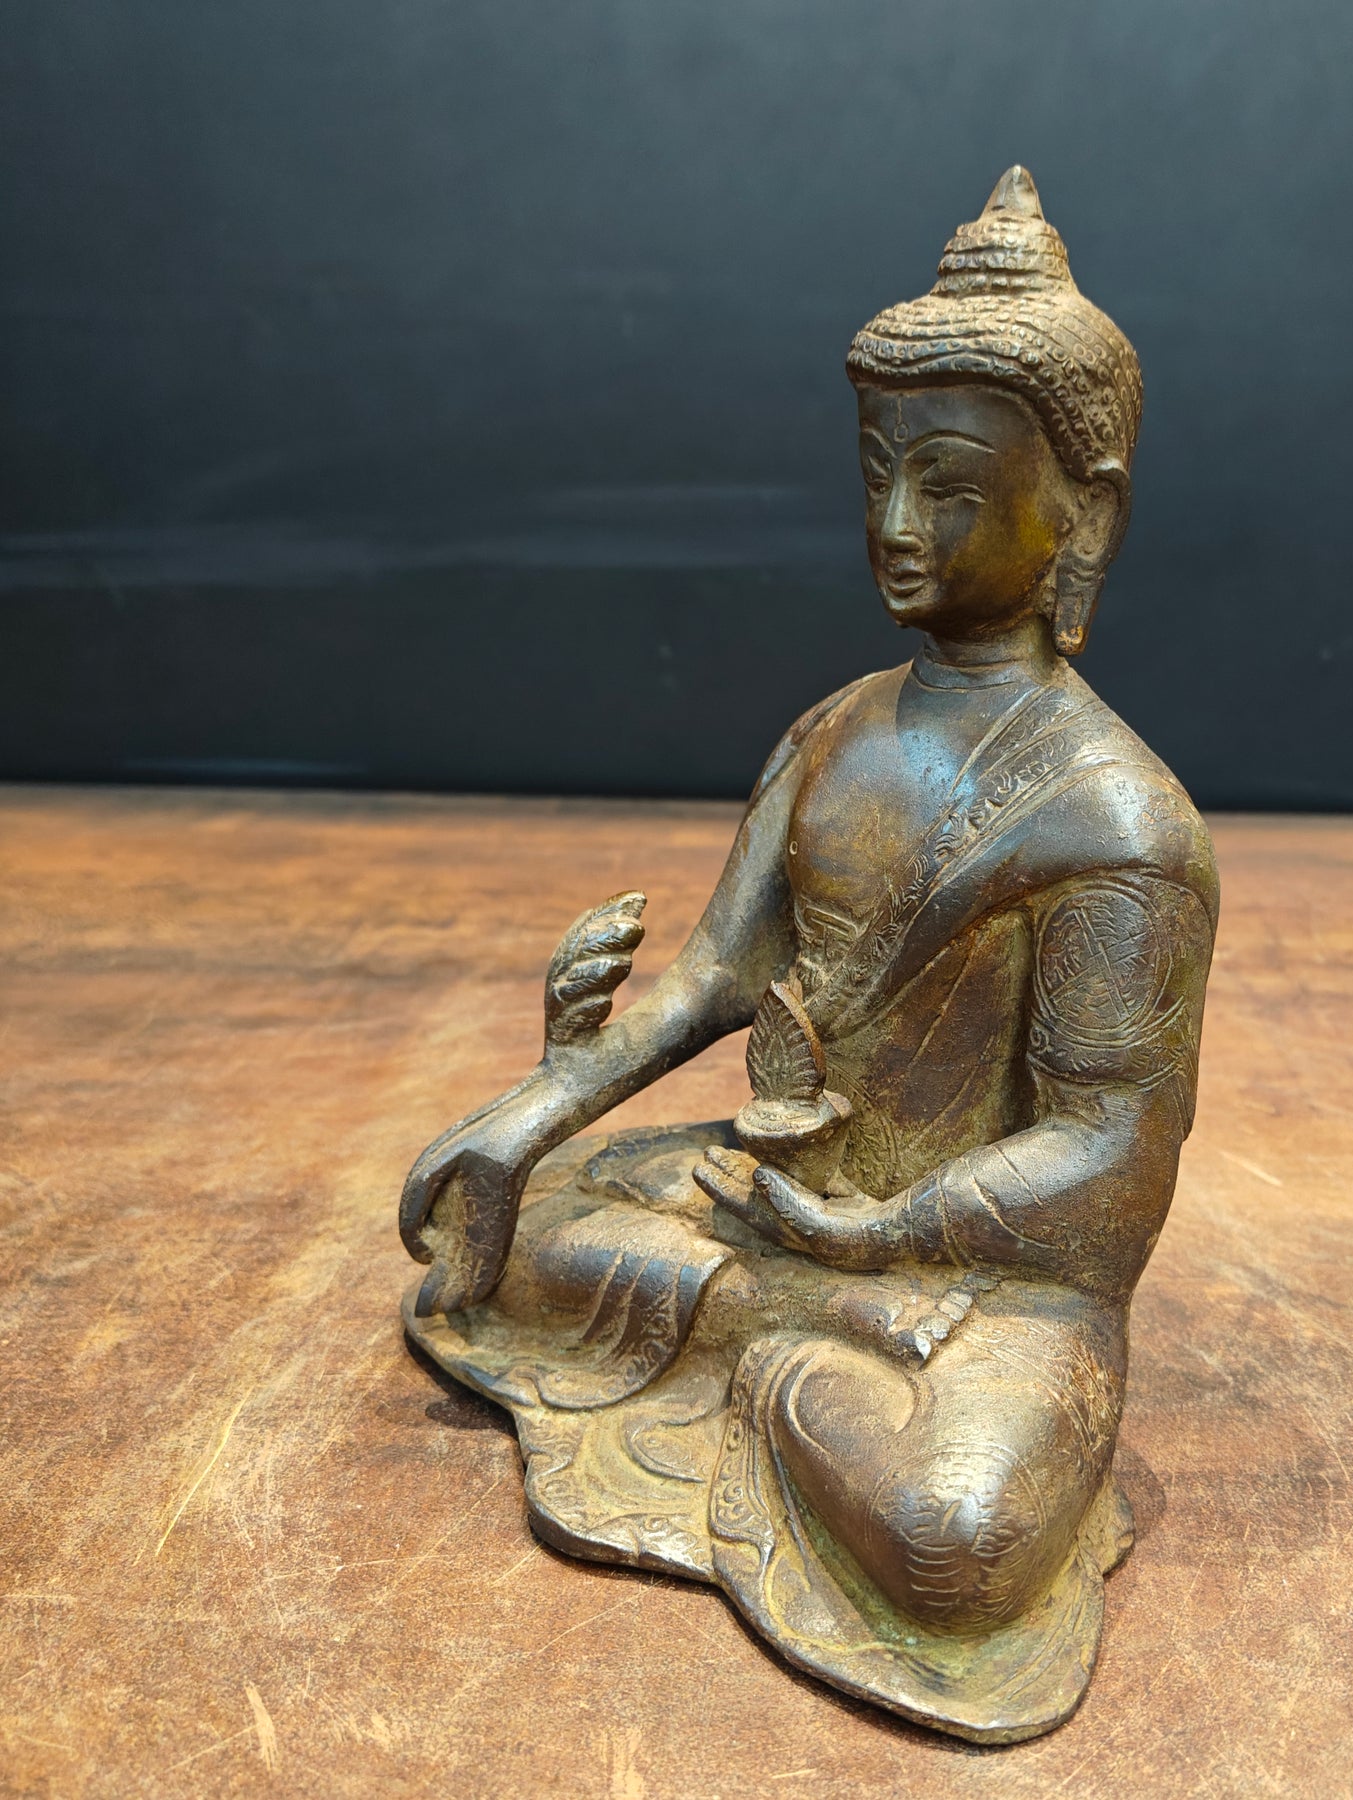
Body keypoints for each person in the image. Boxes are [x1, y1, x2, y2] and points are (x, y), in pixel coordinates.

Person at [399, 167, 1218, 1742]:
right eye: (877, 476)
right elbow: (715, 977)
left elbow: (1111, 1158)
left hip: (984, 1280)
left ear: (1083, 511)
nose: (897, 527)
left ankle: (770, 1341)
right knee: (512, 1225)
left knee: (957, 1542)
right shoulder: (836, 730)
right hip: (779, 1190)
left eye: (952, 490)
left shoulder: (1122, 821)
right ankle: (804, 1325)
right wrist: (530, 1110)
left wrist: (878, 1235)